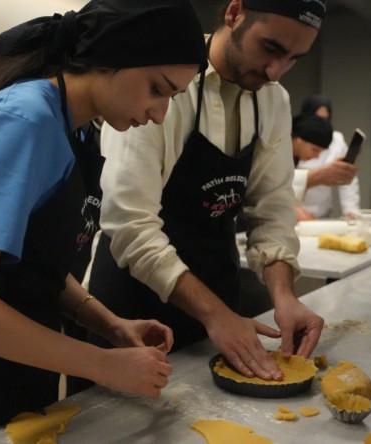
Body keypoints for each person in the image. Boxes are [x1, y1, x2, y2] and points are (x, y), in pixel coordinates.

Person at [0, 1, 208, 441]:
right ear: (111, 56)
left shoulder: (77, 128)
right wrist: (102, 364)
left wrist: (109, 325)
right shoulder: (24, 120)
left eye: (173, 98)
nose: (159, 115)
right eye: (157, 89)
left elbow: (32, 263)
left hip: (29, 361)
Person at [85, 0, 326, 384]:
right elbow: (129, 224)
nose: (276, 72)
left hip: (218, 303)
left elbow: (272, 208)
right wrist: (216, 315)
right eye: (271, 48)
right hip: (132, 310)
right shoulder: (165, 78)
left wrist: (284, 297)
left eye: (294, 58)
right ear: (234, 14)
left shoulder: (273, 98)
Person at [293, 94, 359, 221]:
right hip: (295, 213)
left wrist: (350, 210)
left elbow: (347, 180)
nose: (316, 156)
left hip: (322, 213)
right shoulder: (291, 144)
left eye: (325, 120)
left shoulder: (336, 140)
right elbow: (278, 184)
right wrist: (292, 208)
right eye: (314, 150)